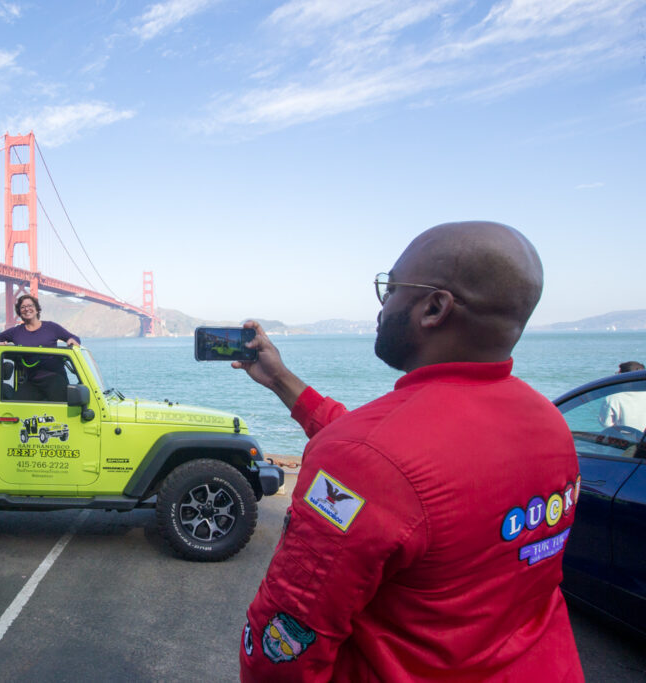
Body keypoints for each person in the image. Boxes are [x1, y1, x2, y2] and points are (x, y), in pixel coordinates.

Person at [236, 222, 583, 681]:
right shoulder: (550, 423)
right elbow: (395, 470)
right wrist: (280, 378)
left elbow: (284, 646)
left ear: (434, 307)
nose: (382, 305)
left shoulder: (370, 458)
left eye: (391, 287)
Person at [0, 294, 79, 401]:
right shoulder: (16, 331)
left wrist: (71, 340)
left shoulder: (51, 327)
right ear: (19, 311)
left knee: (60, 411)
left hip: (55, 379)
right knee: (14, 407)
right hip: (32, 381)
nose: (27, 309)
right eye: (23, 307)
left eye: (30, 305)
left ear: (36, 309)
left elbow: (74, 338)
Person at [599, 360, 646, 430]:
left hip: (623, 439)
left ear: (623, 377)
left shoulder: (613, 398)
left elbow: (606, 423)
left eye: (618, 375)